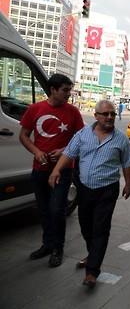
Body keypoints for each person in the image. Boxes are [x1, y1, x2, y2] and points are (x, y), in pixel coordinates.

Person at [48, 100, 130, 288]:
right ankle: (91, 255)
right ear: (96, 116)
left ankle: (92, 271)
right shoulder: (82, 134)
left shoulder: (121, 139)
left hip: (107, 190)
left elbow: (127, 163)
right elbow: (69, 153)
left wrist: (128, 184)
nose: (110, 117)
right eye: (105, 114)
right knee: (86, 226)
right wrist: (56, 170)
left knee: (101, 229)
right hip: (85, 189)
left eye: (112, 113)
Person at [19, 73, 84, 267]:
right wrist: (36, 151)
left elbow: (81, 139)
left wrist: (65, 150)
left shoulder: (73, 112)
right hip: (40, 169)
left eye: (69, 90)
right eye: (65, 90)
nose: (68, 94)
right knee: (44, 209)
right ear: (53, 89)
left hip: (63, 170)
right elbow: (23, 135)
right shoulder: (35, 109)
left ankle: (58, 248)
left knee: (57, 209)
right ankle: (47, 244)